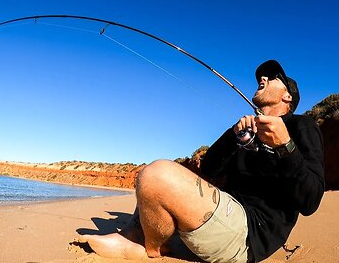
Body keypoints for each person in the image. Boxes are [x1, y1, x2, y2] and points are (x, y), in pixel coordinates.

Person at [77, 60, 325, 262]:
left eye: (273, 77)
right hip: (225, 214)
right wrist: (234, 138)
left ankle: (148, 247)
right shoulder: (244, 129)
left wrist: (285, 146)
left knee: (155, 175)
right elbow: (208, 170)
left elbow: (310, 201)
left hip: (250, 234)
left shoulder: (301, 126)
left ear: (288, 97)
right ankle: (135, 233)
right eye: (263, 76)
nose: (264, 78)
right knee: (154, 176)